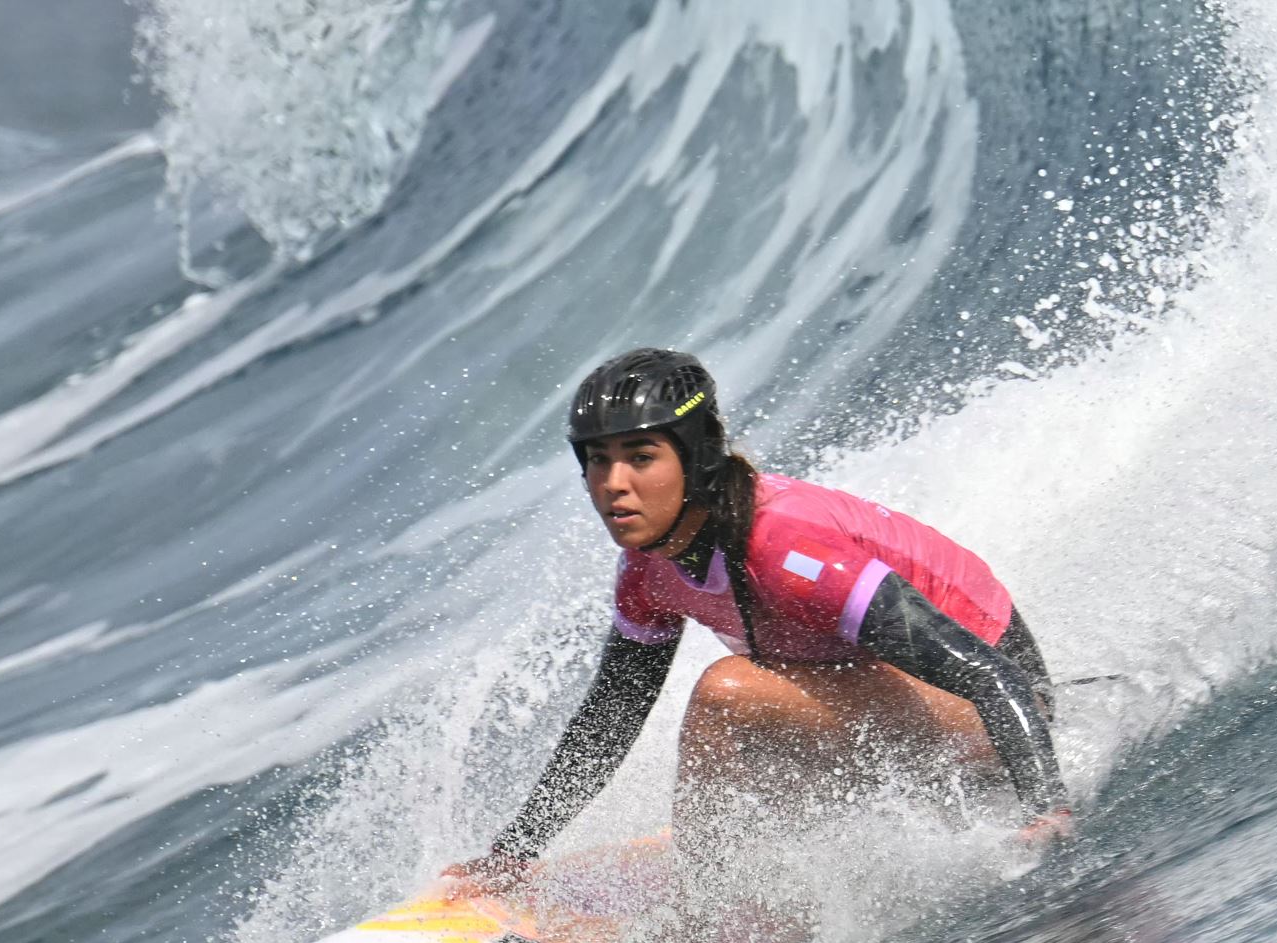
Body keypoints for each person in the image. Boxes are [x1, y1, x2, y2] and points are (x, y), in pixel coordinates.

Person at [448, 348, 1071, 894]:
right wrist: (516, 852)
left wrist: (1046, 814)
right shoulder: (648, 568)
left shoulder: (786, 548)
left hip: (1003, 715)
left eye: (641, 457)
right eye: (596, 461)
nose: (614, 484)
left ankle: (704, 908)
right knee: (755, 717)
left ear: (697, 460)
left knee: (728, 693)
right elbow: (613, 717)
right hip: (903, 710)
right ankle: (752, 883)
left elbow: (995, 676)